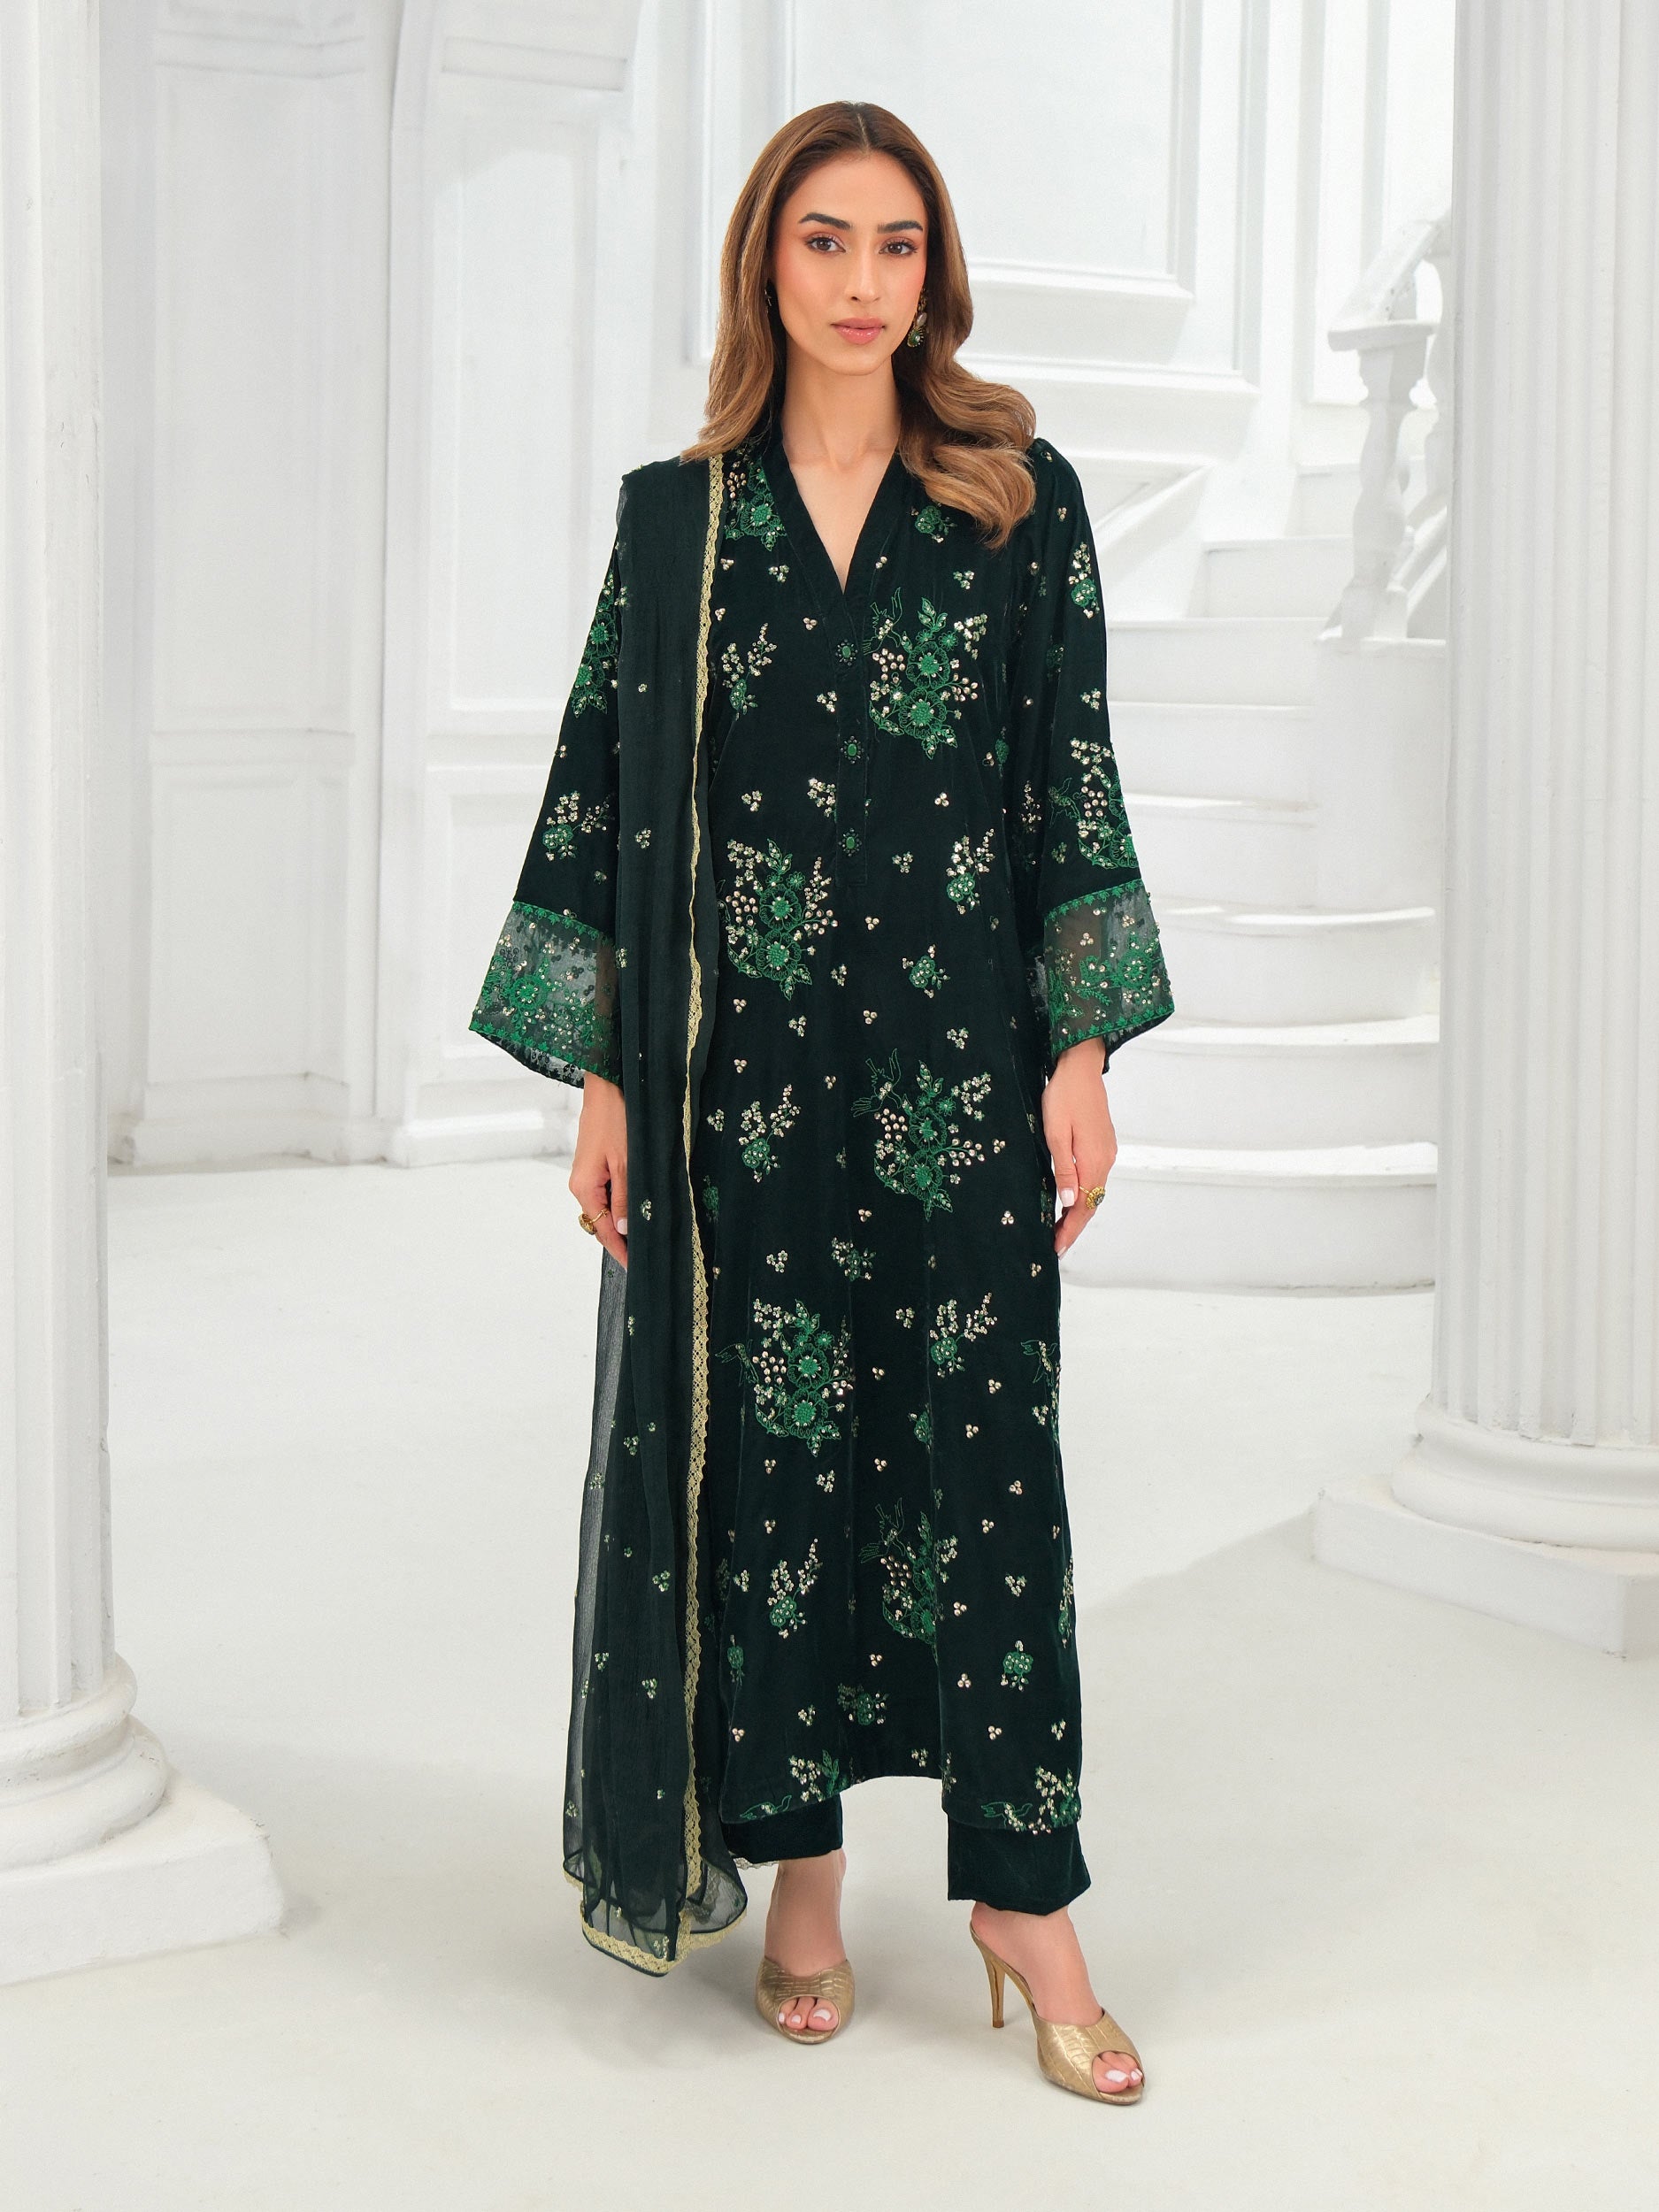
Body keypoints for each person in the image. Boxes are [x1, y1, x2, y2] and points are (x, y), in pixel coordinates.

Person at [470, 99, 1173, 2104]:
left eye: (896, 245)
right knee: (770, 1472)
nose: (863, 284)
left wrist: (1079, 1051)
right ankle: (800, 1869)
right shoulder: (675, 522)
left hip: (961, 1084)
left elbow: (1068, 779)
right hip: (747, 1093)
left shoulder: (1014, 501)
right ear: (762, 266)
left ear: (933, 275)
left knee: (984, 1470)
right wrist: (605, 1078)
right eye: (824, 241)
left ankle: (1024, 1898)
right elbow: (600, 797)